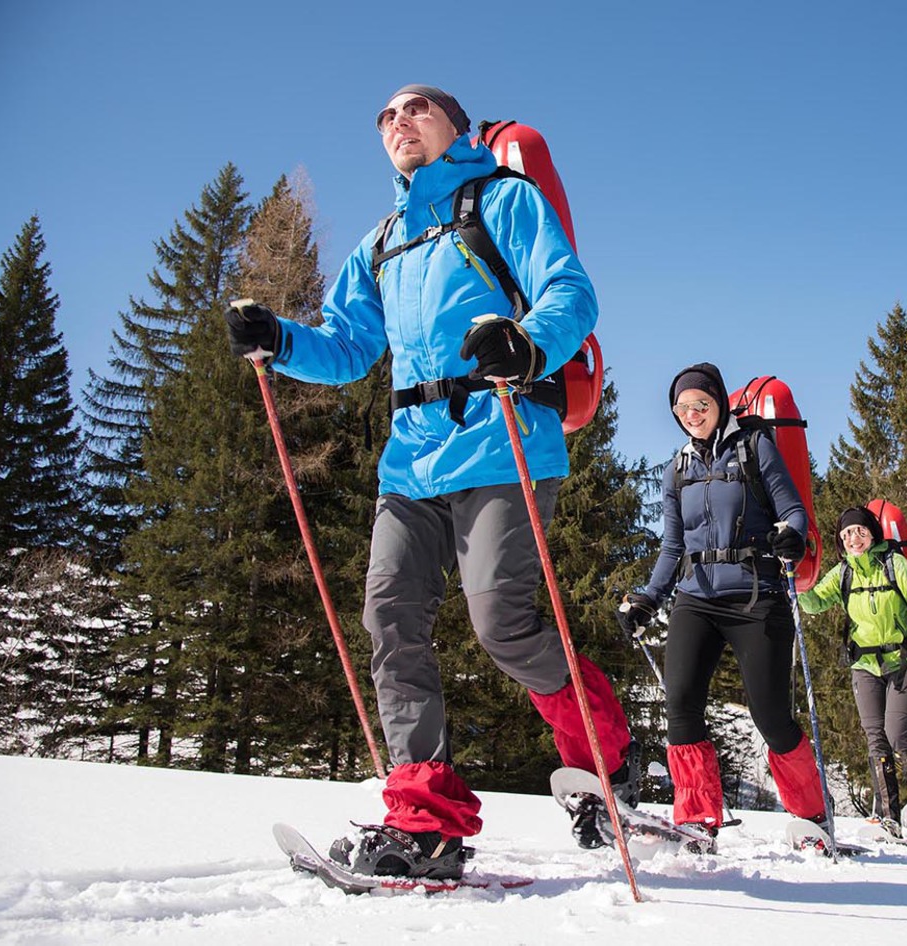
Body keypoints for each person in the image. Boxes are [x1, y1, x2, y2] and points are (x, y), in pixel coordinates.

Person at [225, 85, 636, 877]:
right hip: (411, 459)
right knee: (391, 618)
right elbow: (347, 349)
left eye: (414, 109)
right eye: (384, 117)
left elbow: (569, 291)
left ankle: (604, 756)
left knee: (503, 625)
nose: (396, 123)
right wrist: (277, 338)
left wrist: (526, 342)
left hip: (502, 438)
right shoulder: (383, 242)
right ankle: (427, 822)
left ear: (455, 126)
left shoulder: (502, 201)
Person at [617, 364, 821, 848]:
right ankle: (695, 818)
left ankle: (812, 814)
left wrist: (791, 534)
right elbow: (672, 547)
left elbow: (792, 508)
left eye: (701, 406)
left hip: (756, 597)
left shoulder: (754, 448)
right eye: (682, 409)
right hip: (695, 598)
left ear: (718, 406)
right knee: (681, 703)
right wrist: (649, 598)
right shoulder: (677, 469)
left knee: (771, 715)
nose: (692, 415)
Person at [797, 506, 907, 836]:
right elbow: (816, 601)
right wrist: (798, 581)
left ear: (872, 533)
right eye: (847, 535)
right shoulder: (843, 572)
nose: (854, 539)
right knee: (876, 740)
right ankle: (889, 813)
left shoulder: (893, 564)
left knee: (897, 734)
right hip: (864, 665)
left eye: (859, 532)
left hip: (903, 662)